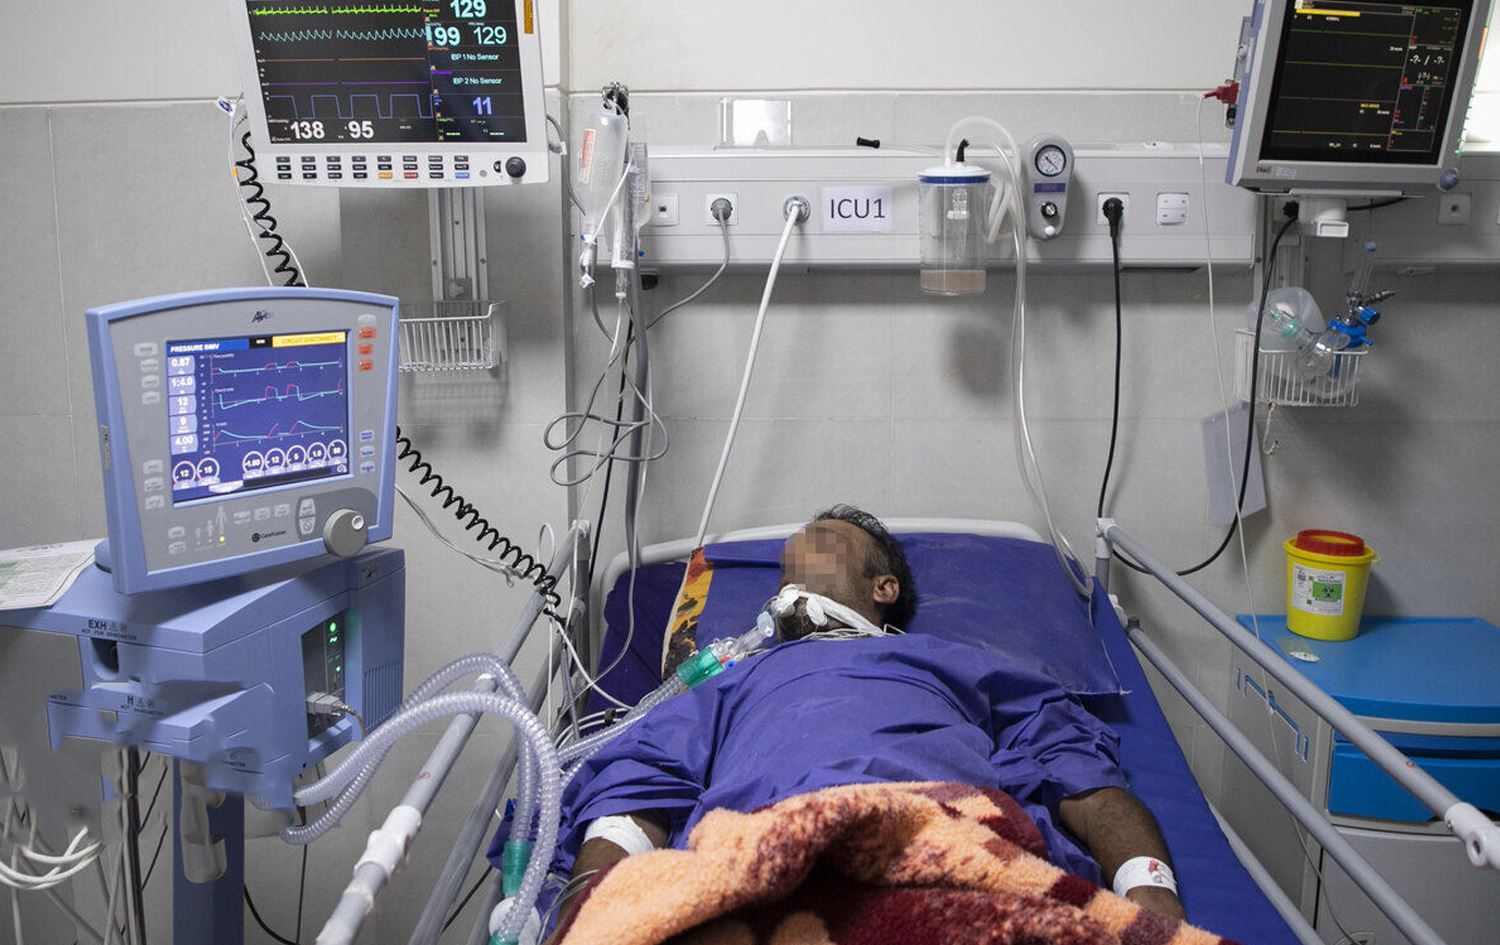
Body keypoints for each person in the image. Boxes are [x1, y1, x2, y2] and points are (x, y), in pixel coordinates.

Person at [555, 505, 1185, 926]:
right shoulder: (734, 679)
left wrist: (1152, 902)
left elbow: (1085, 778)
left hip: (952, 844)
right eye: (785, 568)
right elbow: (636, 786)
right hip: (763, 855)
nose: (793, 562)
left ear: (884, 589)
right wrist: (586, 914)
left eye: (821, 544)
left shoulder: (955, 665)